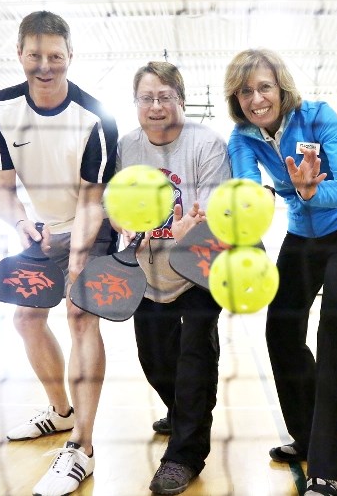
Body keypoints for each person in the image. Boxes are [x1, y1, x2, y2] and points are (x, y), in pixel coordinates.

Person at [223, 49, 337, 496]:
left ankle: (326, 467)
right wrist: (246, 232)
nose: (256, 98)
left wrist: (311, 190)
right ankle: (308, 435)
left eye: (264, 87)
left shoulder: (317, 116)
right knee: (281, 331)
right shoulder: (243, 138)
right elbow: (248, 196)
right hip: (301, 238)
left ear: (281, 87)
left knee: (333, 334)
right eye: (246, 91)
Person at [0, 11, 118, 496]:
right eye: (35, 56)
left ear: (70, 57)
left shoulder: (95, 116)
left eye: (55, 57)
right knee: (26, 319)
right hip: (40, 230)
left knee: (80, 315)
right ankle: (60, 414)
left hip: (92, 223)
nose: (45, 66)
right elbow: (2, 189)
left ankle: (82, 447)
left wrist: (79, 253)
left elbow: (91, 199)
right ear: (20, 54)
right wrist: (18, 222)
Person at [115, 61, 230, 495]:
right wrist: (121, 222)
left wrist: (195, 227)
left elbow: (217, 210)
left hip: (200, 267)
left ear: (181, 100)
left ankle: (184, 454)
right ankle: (184, 412)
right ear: (137, 104)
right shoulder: (126, 147)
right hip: (149, 272)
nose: (157, 106)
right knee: (154, 359)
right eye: (148, 98)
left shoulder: (206, 144)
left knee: (193, 359)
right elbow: (116, 202)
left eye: (165, 97)